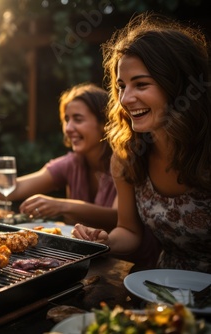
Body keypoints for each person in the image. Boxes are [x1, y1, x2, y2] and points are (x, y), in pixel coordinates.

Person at [72, 13, 211, 273]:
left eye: (141, 84)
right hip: (166, 292)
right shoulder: (127, 156)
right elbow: (129, 231)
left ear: (178, 86)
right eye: (121, 86)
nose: (125, 99)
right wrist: (104, 241)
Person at [0, 83, 118, 230]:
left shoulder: (124, 163)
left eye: (78, 119)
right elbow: (16, 188)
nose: (68, 128)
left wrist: (62, 205)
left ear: (104, 123)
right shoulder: (71, 163)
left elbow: (118, 217)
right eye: (67, 120)